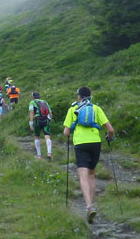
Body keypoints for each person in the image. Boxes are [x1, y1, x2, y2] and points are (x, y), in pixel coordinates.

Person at [63, 86, 114, 223]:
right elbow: (110, 130)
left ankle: (89, 207)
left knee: (83, 175)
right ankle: (91, 206)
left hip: (80, 143)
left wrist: (72, 129)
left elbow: (66, 133)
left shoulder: (73, 109)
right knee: (92, 174)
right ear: (90, 96)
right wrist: (109, 137)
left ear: (79, 97)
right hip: (95, 142)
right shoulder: (96, 109)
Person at [28, 92, 53, 160]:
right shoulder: (45, 102)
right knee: (47, 136)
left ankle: (39, 155)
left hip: (37, 120)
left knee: (37, 137)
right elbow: (50, 114)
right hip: (46, 120)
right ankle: (49, 153)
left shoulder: (32, 102)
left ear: (33, 97)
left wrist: (31, 123)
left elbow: (31, 112)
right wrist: (49, 121)